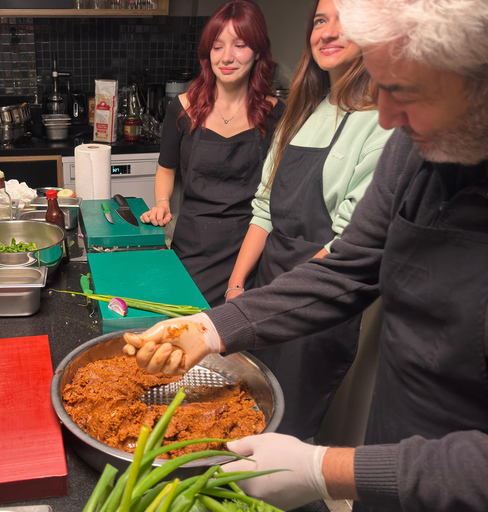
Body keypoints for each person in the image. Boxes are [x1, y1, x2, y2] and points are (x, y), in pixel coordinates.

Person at [123, 0, 488, 509]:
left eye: (403, 91)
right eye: (380, 87)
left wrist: (324, 469)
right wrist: (209, 328)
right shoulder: (411, 148)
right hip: (399, 432)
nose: (384, 117)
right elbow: (349, 267)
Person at [221, 0, 392, 440]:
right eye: (320, 21)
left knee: (283, 433)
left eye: (345, 20)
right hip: (265, 287)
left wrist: (273, 304)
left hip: (317, 304)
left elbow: (347, 243)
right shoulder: (301, 113)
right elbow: (263, 209)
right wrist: (238, 289)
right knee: (244, 416)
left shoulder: (382, 123)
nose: (327, 32)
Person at [139, 0, 285, 307]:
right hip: (191, 246)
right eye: (218, 47)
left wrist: (239, 279)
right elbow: (166, 168)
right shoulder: (182, 108)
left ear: (257, 50)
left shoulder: (276, 115)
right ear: (208, 54)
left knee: (229, 347)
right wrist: (162, 204)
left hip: (247, 251)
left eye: (240, 45)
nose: (227, 57)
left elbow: (274, 197)